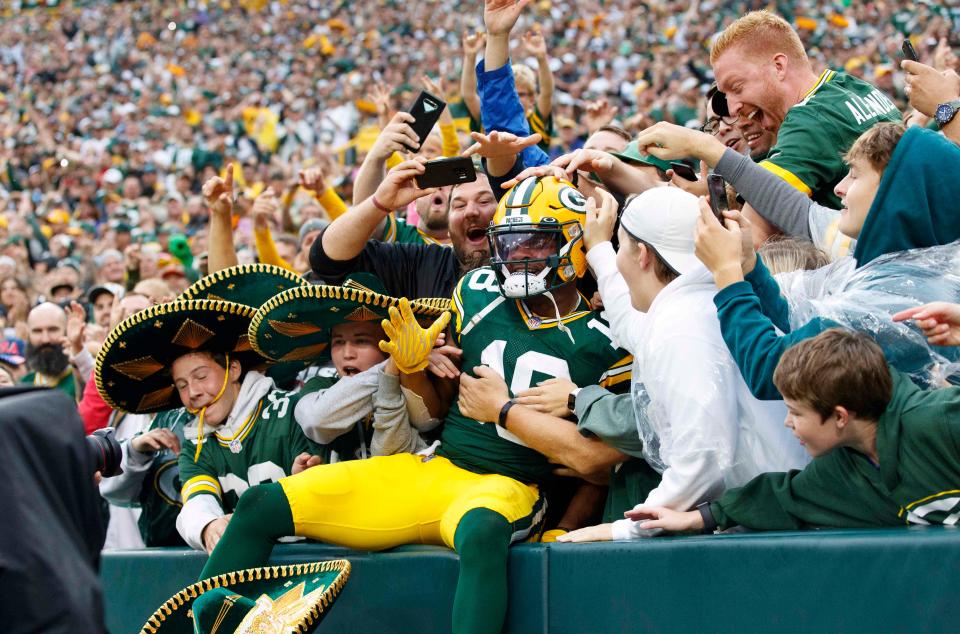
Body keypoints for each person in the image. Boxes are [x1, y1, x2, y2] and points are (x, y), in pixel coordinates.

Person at [200, 175, 630, 634]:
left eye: (534, 242)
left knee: (483, 533)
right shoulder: (477, 291)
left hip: (512, 485)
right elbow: (437, 408)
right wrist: (410, 366)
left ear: (577, 242)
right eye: (510, 242)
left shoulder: (610, 339)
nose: (518, 255)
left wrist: (505, 412)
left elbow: (602, 466)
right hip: (438, 466)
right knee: (262, 503)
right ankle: (206, 625)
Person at [554, 186, 806, 543]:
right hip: (773, 518)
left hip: (772, 533)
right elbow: (633, 323)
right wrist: (598, 248)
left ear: (642, 254)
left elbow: (704, 458)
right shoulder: (695, 302)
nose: (619, 257)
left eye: (620, 245)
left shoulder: (680, 325)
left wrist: (626, 528)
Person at [692, 122, 960, 400]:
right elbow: (802, 321)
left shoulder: (899, 299)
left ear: (898, 193)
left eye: (855, 175)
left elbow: (774, 370)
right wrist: (749, 266)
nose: (841, 188)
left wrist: (727, 273)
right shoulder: (898, 273)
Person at [628, 329, 960, 533]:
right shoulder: (840, 470)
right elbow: (783, 497)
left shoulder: (935, 422)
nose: (788, 423)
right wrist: (695, 519)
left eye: (795, 412)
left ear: (840, 416)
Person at [710, 10, 901, 245]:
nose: (731, 109)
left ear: (778, 66)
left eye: (737, 87)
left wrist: (704, 152)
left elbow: (753, 237)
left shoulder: (811, 118)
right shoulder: (851, 87)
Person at [311, 157, 497, 299]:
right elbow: (327, 261)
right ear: (449, 225)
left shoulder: (523, 259)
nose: (471, 211)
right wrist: (379, 203)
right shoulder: (423, 266)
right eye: (459, 205)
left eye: (484, 201)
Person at [22, 301, 76, 397]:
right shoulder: (23, 385)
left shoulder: (85, 379)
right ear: (28, 335)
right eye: (37, 331)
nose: (45, 339)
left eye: (53, 330)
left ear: (67, 330)